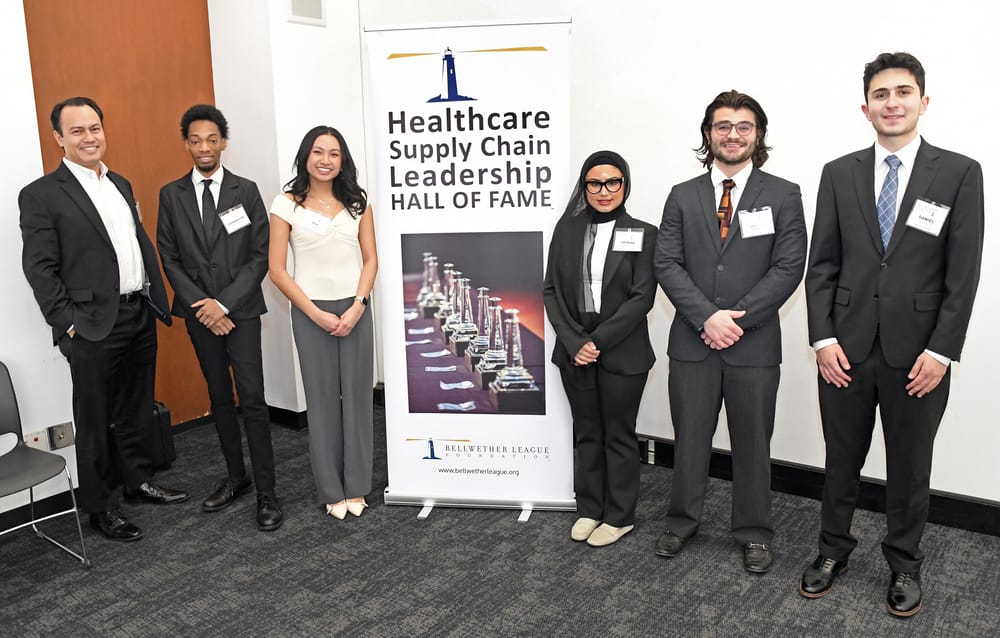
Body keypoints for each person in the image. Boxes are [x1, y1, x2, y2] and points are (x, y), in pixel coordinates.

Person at [800, 52, 983, 617]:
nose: (892, 102)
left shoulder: (959, 173)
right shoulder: (838, 172)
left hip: (919, 355)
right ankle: (832, 551)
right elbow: (821, 265)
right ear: (866, 108)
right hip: (845, 350)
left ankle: (904, 561)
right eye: (881, 94)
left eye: (903, 92)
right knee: (841, 460)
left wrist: (942, 351)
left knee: (909, 466)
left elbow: (962, 274)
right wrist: (823, 339)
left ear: (923, 102)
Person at [19, 97, 189, 543]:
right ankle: (100, 508)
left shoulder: (120, 183)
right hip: (91, 324)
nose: (89, 137)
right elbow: (39, 269)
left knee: (136, 406)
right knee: (94, 419)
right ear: (58, 138)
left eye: (94, 128)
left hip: (137, 312)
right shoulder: (41, 195)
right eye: (76, 131)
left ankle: (137, 482)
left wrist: (152, 297)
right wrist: (68, 322)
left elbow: (132, 245)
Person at [653, 90, 806, 573]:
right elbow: (666, 262)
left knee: (753, 444)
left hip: (753, 343)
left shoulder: (783, 194)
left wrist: (735, 319)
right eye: (723, 126)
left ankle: (755, 531)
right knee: (689, 439)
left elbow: (789, 266)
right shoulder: (682, 195)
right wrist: (707, 317)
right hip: (693, 343)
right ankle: (681, 522)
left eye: (744, 126)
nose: (733, 134)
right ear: (708, 134)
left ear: (758, 135)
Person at [156, 104, 282, 531]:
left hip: (240, 311)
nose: (204, 147)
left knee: (253, 399)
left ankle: (267, 490)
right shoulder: (171, 195)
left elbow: (260, 254)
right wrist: (204, 307)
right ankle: (236, 477)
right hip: (199, 315)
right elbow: (168, 257)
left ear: (223, 142)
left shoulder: (245, 191)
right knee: (219, 397)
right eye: (195, 140)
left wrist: (223, 305)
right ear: (186, 144)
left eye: (212, 139)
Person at [543, 150, 657, 548]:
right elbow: (551, 290)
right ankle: (590, 509)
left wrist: (597, 342)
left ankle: (620, 516)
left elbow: (642, 298)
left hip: (622, 351)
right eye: (595, 183)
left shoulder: (644, 233)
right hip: (575, 350)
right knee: (587, 432)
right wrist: (576, 342)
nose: (604, 191)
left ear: (625, 185)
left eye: (613, 182)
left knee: (618, 435)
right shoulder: (566, 230)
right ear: (584, 186)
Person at [268, 126, 377, 519]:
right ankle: (332, 490)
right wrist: (314, 313)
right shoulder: (286, 204)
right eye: (318, 152)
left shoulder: (358, 203)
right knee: (322, 400)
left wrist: (358, 305)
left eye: (334, 153)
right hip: (309, 311)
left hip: (355, 310)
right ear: (305, 156)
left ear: (342, 160)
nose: (325, 160)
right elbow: (277, 270)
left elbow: (371, 260)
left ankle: (357, 486)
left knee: (358, 398)